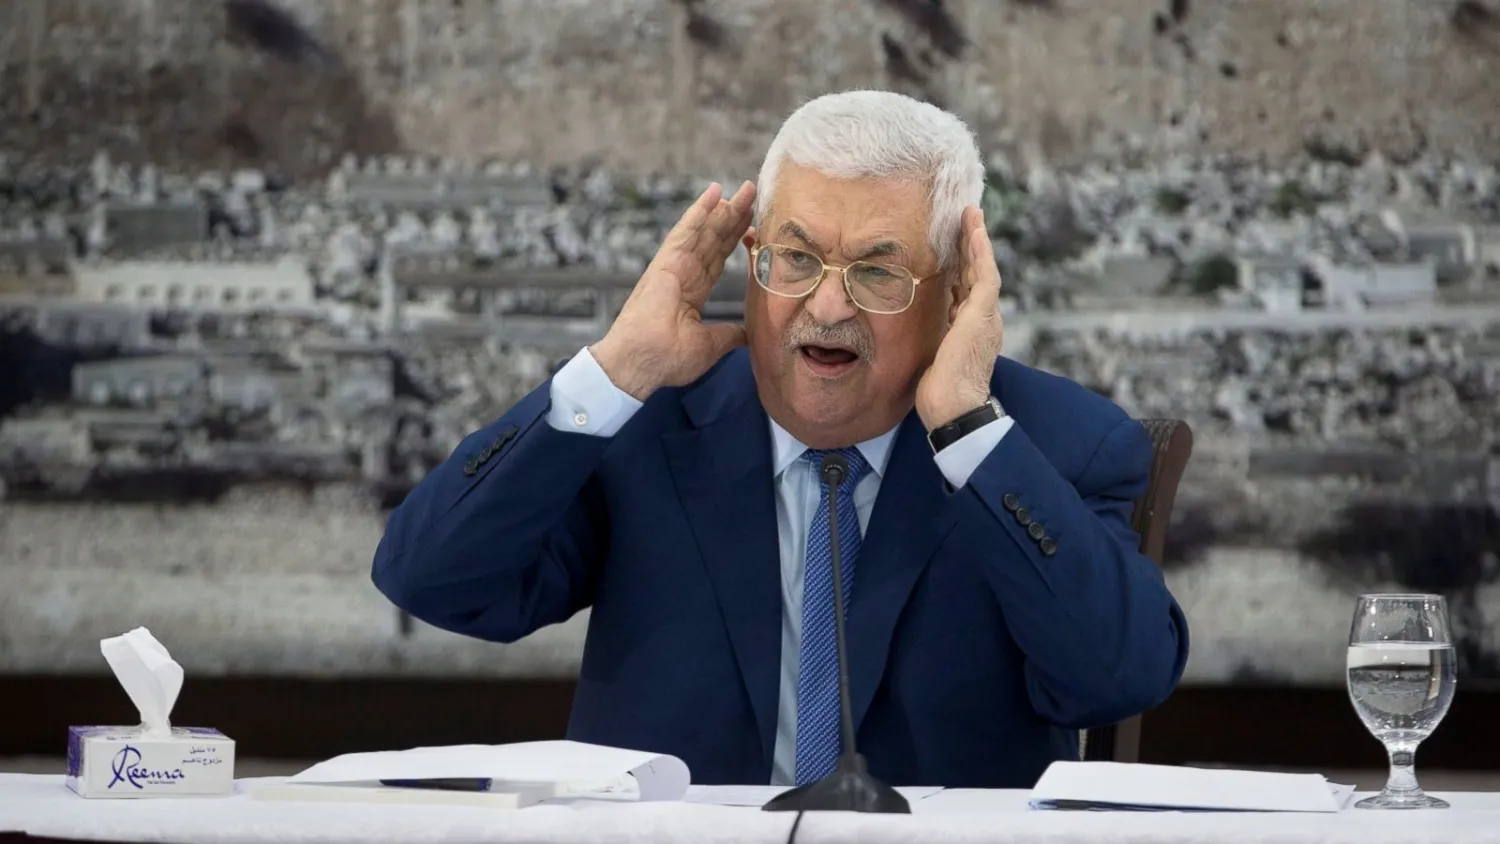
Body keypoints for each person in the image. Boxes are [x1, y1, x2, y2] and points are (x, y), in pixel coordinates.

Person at [372, 90, 1190, 789]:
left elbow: (1116, 680)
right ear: (750, 257)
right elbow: (433, 580)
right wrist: (614, 371)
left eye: (878, 271)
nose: (827, 308)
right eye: (795, 259)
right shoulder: (648, 422)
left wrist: (970, 435)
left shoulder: (1050, 446)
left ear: (956, 294)